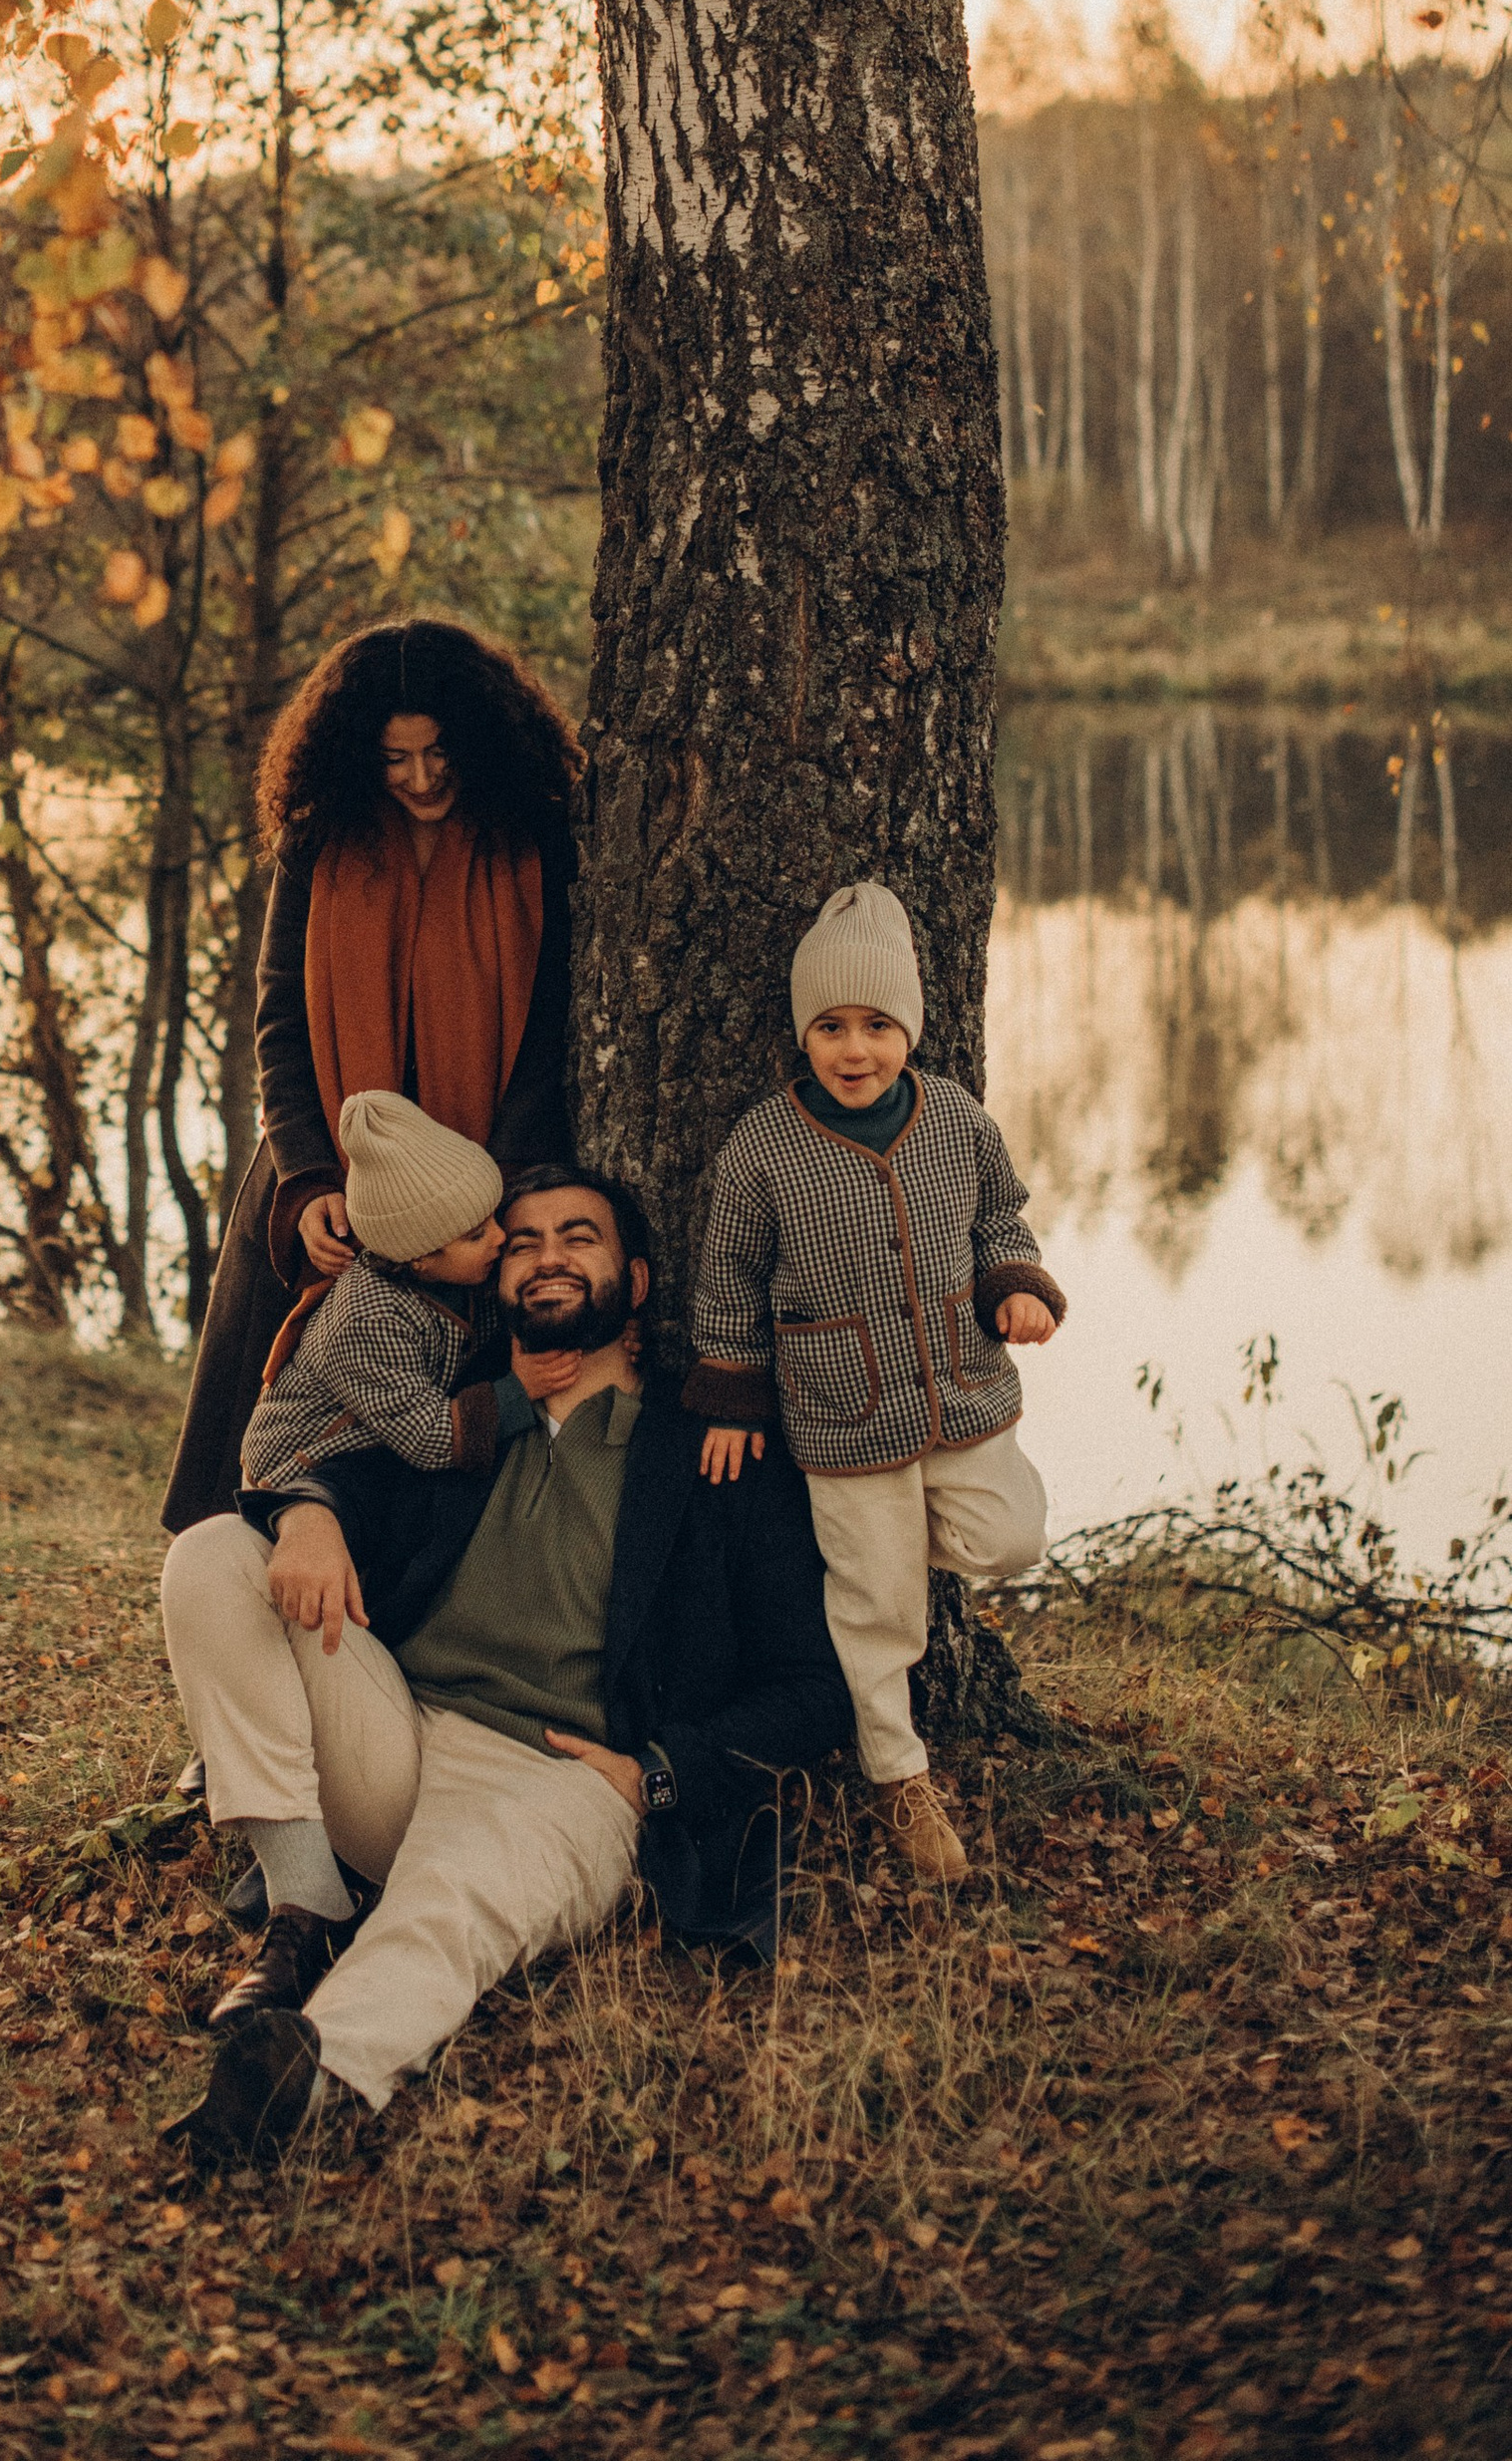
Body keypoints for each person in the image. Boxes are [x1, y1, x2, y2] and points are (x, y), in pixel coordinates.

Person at [156, 1166, 850, 2167]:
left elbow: (814, 1688)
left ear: (635, 1281)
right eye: (522, 1241)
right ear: (499, 1277)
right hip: (396, 1737)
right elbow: (340, 1480)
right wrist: (308, 1516)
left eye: (579, 1236)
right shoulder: (468, 1414)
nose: (547, 1256)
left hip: (564, 1778)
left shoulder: (715, 1457)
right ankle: (308, 1899)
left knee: (455, 1902)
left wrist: (659, 1774)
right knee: (215, 1556)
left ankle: (309, 2075)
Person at [684, 879, 1065, 1888]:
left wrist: (1015, 1284)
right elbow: (728, 1277)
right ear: (803, 1035)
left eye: (878, 1027)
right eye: (832, 1028)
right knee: (877, 1612)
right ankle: (898, 1774)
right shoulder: (764, 1147)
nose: (855, 1051)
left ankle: (873, 1553)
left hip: (959, 1388)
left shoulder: (956, 1119)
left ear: (910, 1030)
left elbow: (1000, 1216)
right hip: (840, 1408)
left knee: (1011, 1535)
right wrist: (732, 1393)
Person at [159, 621, 579, 1538]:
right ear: (358, 753)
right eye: (395, 758)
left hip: (490, 1179)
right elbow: (280, 1017)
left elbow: (557, 1024)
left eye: (439, 753)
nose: (421, 778)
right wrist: (308, 1177)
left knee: (441, 1456)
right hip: (335, 1169)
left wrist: (483, 1200)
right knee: (254, 1471)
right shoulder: (320, 838)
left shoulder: (539, 834)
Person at [238, 1090, 548, 1493]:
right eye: (476, 1235)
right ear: (418, 1258)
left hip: (380, 1452)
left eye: (493, 1217)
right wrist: (516, 1392)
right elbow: (428, 1438)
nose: (500, 1237)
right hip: (297, 1471)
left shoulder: (460, 1274)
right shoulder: (368, 1318)